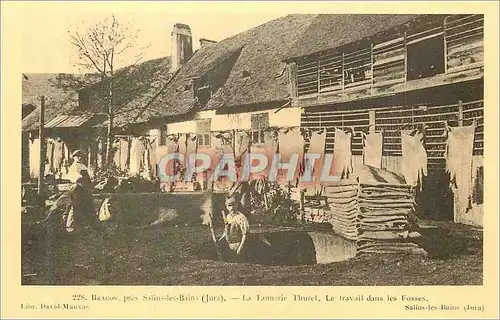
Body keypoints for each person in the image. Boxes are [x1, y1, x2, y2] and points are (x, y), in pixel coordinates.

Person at [64, 150, 95, 233]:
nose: (79, 158)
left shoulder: (83, 166)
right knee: (75, 207)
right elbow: (78, 179)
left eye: (80, 156)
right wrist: (86, 186)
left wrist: (90, 186)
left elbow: (88, 178)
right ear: (74, 157)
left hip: (85, 189)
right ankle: (70, 226)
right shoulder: (73, 167)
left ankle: (85, 225)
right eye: (77, 156)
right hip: (77, 189)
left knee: (87, 206)